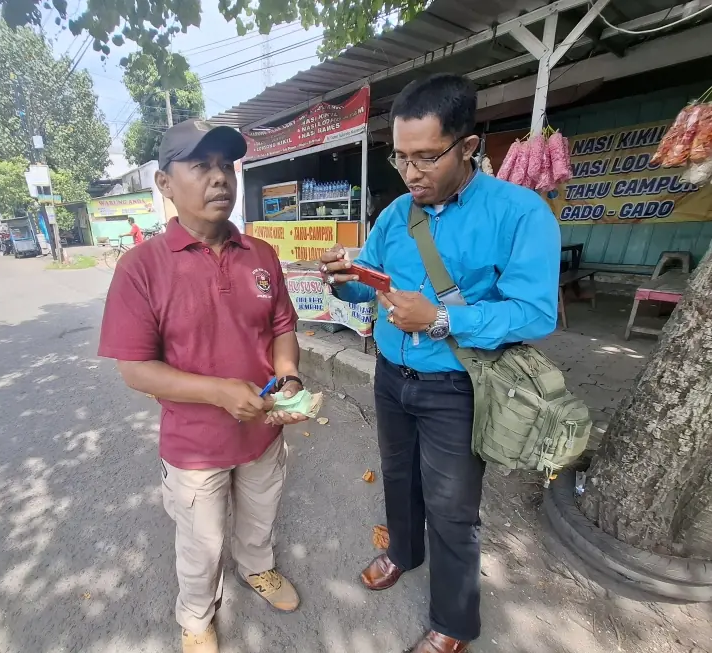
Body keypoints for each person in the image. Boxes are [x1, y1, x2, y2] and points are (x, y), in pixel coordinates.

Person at [319, 74, 560, 653]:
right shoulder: (396, 213)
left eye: (426, 157)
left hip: (459, 384)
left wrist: (443, 319)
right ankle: (403, 551)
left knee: (453, 507)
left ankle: (453, 622)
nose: (411, 174)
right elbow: (370, 285)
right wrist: (347, 280)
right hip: (391, 374)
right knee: (399, 478)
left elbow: (535, 313)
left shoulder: (520, 213)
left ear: (468, 147)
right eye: (401, 159)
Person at [98, 119, 308, 653]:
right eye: (200, 166)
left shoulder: (261, 256)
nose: (219, 179)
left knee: (260, 517)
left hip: (263, 434)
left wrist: (288, 378)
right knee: (200, 543)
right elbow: (135, 368)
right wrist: (218, 392)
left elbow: (282, 325)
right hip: (195, 448)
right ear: (165, 184)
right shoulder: (140, 267)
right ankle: (196, 616)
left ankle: (257, 569)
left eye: (225, 166)